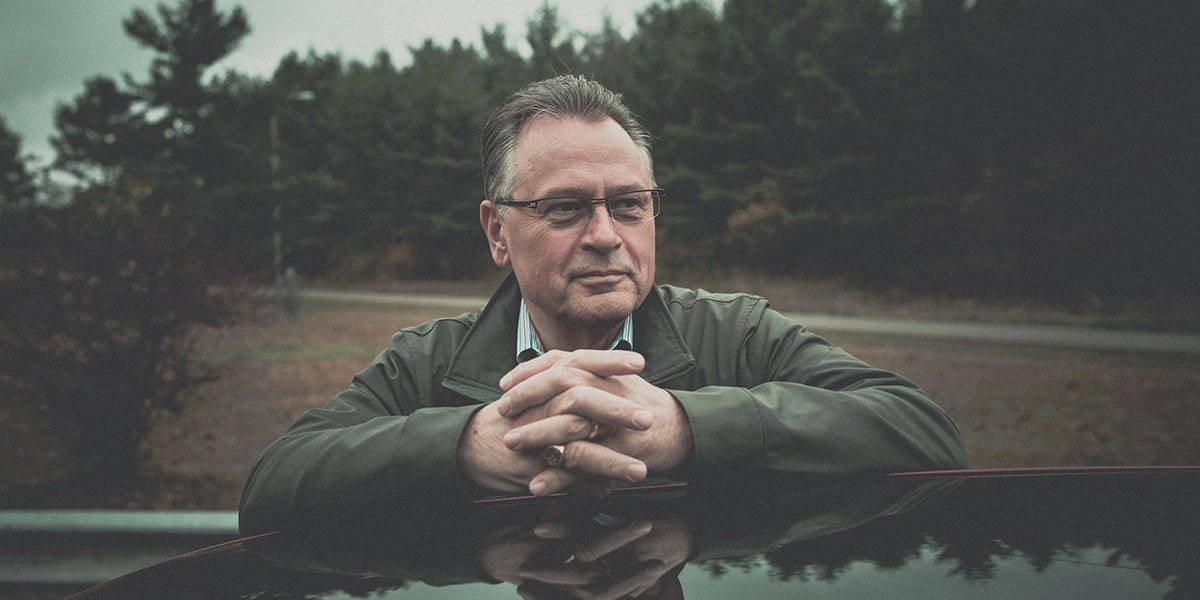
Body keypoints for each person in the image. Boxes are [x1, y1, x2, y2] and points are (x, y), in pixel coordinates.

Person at [239, 75, 967, 534]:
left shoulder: (736, 333)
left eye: (628, 204)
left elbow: (924, 432)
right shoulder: (425, 363)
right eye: (564, 208)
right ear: (498, 231)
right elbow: (273, 487)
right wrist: (464, 447)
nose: (604, 236)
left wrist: (688, 427)